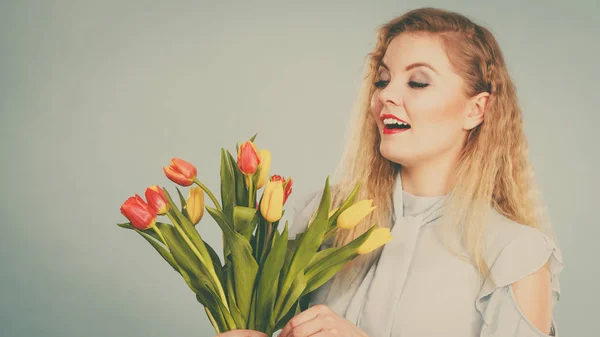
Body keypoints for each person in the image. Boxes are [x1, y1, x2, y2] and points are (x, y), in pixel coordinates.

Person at [217, 6, 563, 337]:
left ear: (476, 109)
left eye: (417, 83)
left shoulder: (517, 257)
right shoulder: (325, 223)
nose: (386, 95)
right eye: (383, 80)